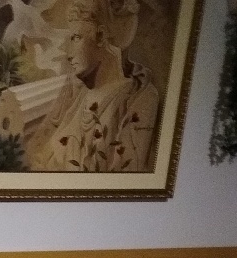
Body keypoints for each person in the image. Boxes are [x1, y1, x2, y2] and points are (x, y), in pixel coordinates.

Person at [25, 0, 159, 172]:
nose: (68, 53)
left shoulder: (140, 98)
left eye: (76, 38)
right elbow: (37, 158)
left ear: (101, 36)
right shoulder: (76, 93)